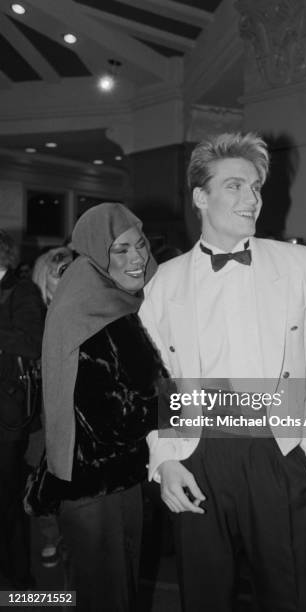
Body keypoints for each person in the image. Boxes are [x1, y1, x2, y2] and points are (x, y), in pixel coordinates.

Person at [139, 132, 306, 611]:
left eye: (255, 187)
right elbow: (157, 381)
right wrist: (165, 459)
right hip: (198, 449)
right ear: (200, 196)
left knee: (293, 593)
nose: (251, 198)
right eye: (234, 185)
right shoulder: (162, 284)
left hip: (277, 448)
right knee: (204, 594)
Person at [25, 203, 164, 611]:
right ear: (95, 252)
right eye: (120, 250)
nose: (137, 257)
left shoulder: (83, 297)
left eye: (140, 245)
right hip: (105, 491)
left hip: (82, 486)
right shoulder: (107, 314)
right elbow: (120, 416)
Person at [0, 230, 45, 588]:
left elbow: (32, 344)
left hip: (8, 412)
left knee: (7, 494)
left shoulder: (22, 290)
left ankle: (19, 577)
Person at [29, 246, 74, 568]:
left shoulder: (86, 309)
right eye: (60, 273)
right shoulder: (34, 313)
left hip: (75, 406)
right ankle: (50, 535)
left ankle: (72, 536)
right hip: (41, 410)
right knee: (43, 471)